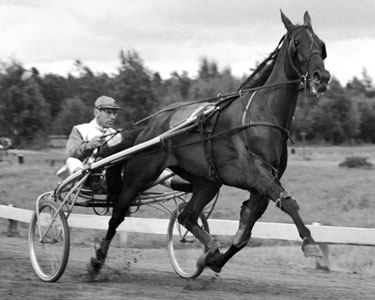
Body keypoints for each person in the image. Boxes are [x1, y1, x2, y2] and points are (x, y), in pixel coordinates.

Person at [59, 95, 191, 205]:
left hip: (112, 178)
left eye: (115, 113)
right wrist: (88, 146)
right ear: (96, 112)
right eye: (108, 112)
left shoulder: (115, 134)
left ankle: (182, 185)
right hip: (88, 178)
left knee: (150, 164)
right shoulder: (80, 129)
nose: (113, 117)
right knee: (71, 160)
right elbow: (70, 155)